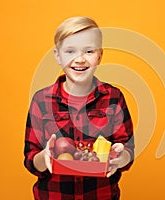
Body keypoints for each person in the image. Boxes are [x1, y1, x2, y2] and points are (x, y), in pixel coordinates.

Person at [24, 16, 134, 200]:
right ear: (58, 56)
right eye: (70, 51)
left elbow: (127, 148)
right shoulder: (42, 100)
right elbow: (30, 157)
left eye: (89, 51)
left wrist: (120, 158)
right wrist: (44, 158)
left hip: (101, 195)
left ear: (99, 56)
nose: (80, 59)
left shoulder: (113, 97)